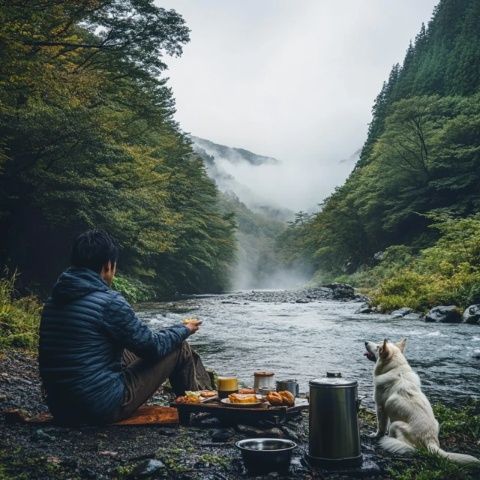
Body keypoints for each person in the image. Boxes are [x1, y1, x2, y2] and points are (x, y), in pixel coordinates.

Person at [39, 229, 212, 425]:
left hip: (60, 408)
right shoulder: (109, 301)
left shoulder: (54, 299)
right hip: (98, 408)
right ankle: (199, 411)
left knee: (130, 346)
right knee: (179, 348)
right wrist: (185, 329)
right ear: (108, 265)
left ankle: (201, 398)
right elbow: (153, 348)